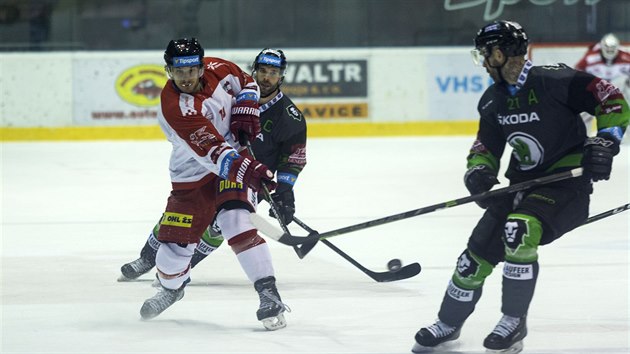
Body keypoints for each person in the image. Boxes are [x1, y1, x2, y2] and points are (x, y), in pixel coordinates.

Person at [411, 20, 629, 353]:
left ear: (501, 53)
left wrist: (606, 141)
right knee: (472, 259)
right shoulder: (491, 101)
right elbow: (485, 147)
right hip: (520, 189)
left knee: (519, 230)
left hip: (565, 189)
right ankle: (449, 323)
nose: (484, 62)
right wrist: (478, 173)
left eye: (487, 54)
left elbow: (612, 100)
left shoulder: (555, 80)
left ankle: (513, 323)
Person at [121, 43, 307, 330]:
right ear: (168, 70)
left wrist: (245, 103)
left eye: (192, 69)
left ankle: (269, 293)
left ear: (201, 65)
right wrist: (253, 171)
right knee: (170, 257)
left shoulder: (219, 68)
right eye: (179, 71)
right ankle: (172, 288)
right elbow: (215, 153)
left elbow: (245, 80)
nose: (186, 77)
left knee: (236, 220)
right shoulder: (176, 107)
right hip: (194, 174)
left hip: (231, 162)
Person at [574, 33, 630, 136]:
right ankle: (580, 135)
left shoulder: (626, 57)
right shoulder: (591, 57)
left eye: (612, 49)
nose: (609, 52)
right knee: (585, 111)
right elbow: (577, 73)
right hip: (597, 91)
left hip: (619, 91)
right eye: (607, 49)